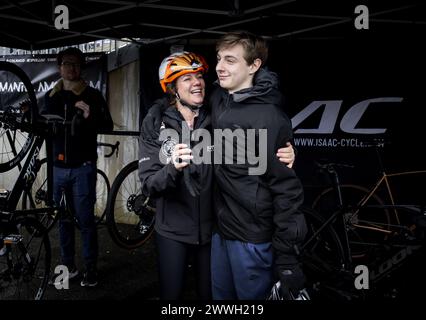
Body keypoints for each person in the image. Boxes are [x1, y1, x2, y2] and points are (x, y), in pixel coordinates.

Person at [210, 31, 307, 300]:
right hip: (220, 230)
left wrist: (288, 259)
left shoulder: (269, 115)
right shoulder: (219, 99)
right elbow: (182, 97)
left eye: (230, 60)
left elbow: (287, 191)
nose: (220, 66)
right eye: (219, 58)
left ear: (254, 66)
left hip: (251, 237)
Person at [138, 52, 213, 300]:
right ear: (173, 88)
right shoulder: (156, 123)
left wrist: (284, 149)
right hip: (173, 231)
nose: (197, 82)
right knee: (173, 297)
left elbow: (254, 132)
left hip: (214, 230)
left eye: (199, 76)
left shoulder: (217, 117)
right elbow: (149, 184)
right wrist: (172, 168)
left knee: (211, 298)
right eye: (187, 78)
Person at [40, 47, 113, 287]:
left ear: (81, 68)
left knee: (85, 220)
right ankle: (68, 268)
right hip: (57, 169)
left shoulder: (92, 95)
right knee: (63, 221)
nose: (71, 68)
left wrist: (91, 114)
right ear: (60, 67)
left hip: (83, 168)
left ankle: (90, 269)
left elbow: (108, 125)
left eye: (75, 64)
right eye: (66, 63)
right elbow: (40, 126)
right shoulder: (50, 97)